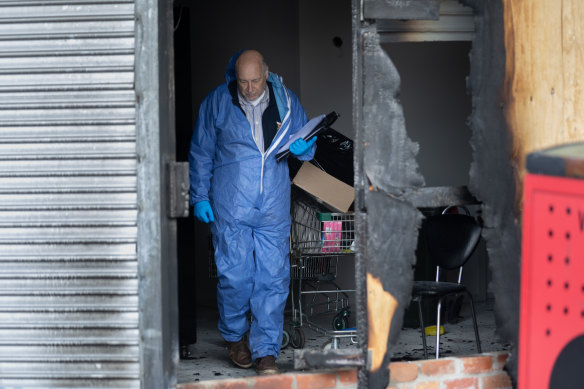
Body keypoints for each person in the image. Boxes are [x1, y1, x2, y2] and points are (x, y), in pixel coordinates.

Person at [188, 49, 316, 375]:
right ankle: (234, 337)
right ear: (236, 76)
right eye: (243, 81)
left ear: (267, 72)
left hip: (273, 203)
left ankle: (266, 351)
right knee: (235, 277)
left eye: (255, 80)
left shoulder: (286, 100)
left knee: (273, 279)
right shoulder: (217, 101)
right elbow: (201, 151)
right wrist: (199, 196)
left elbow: (307, 139)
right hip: (230, 204)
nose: (249, 88)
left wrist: (305, 148)